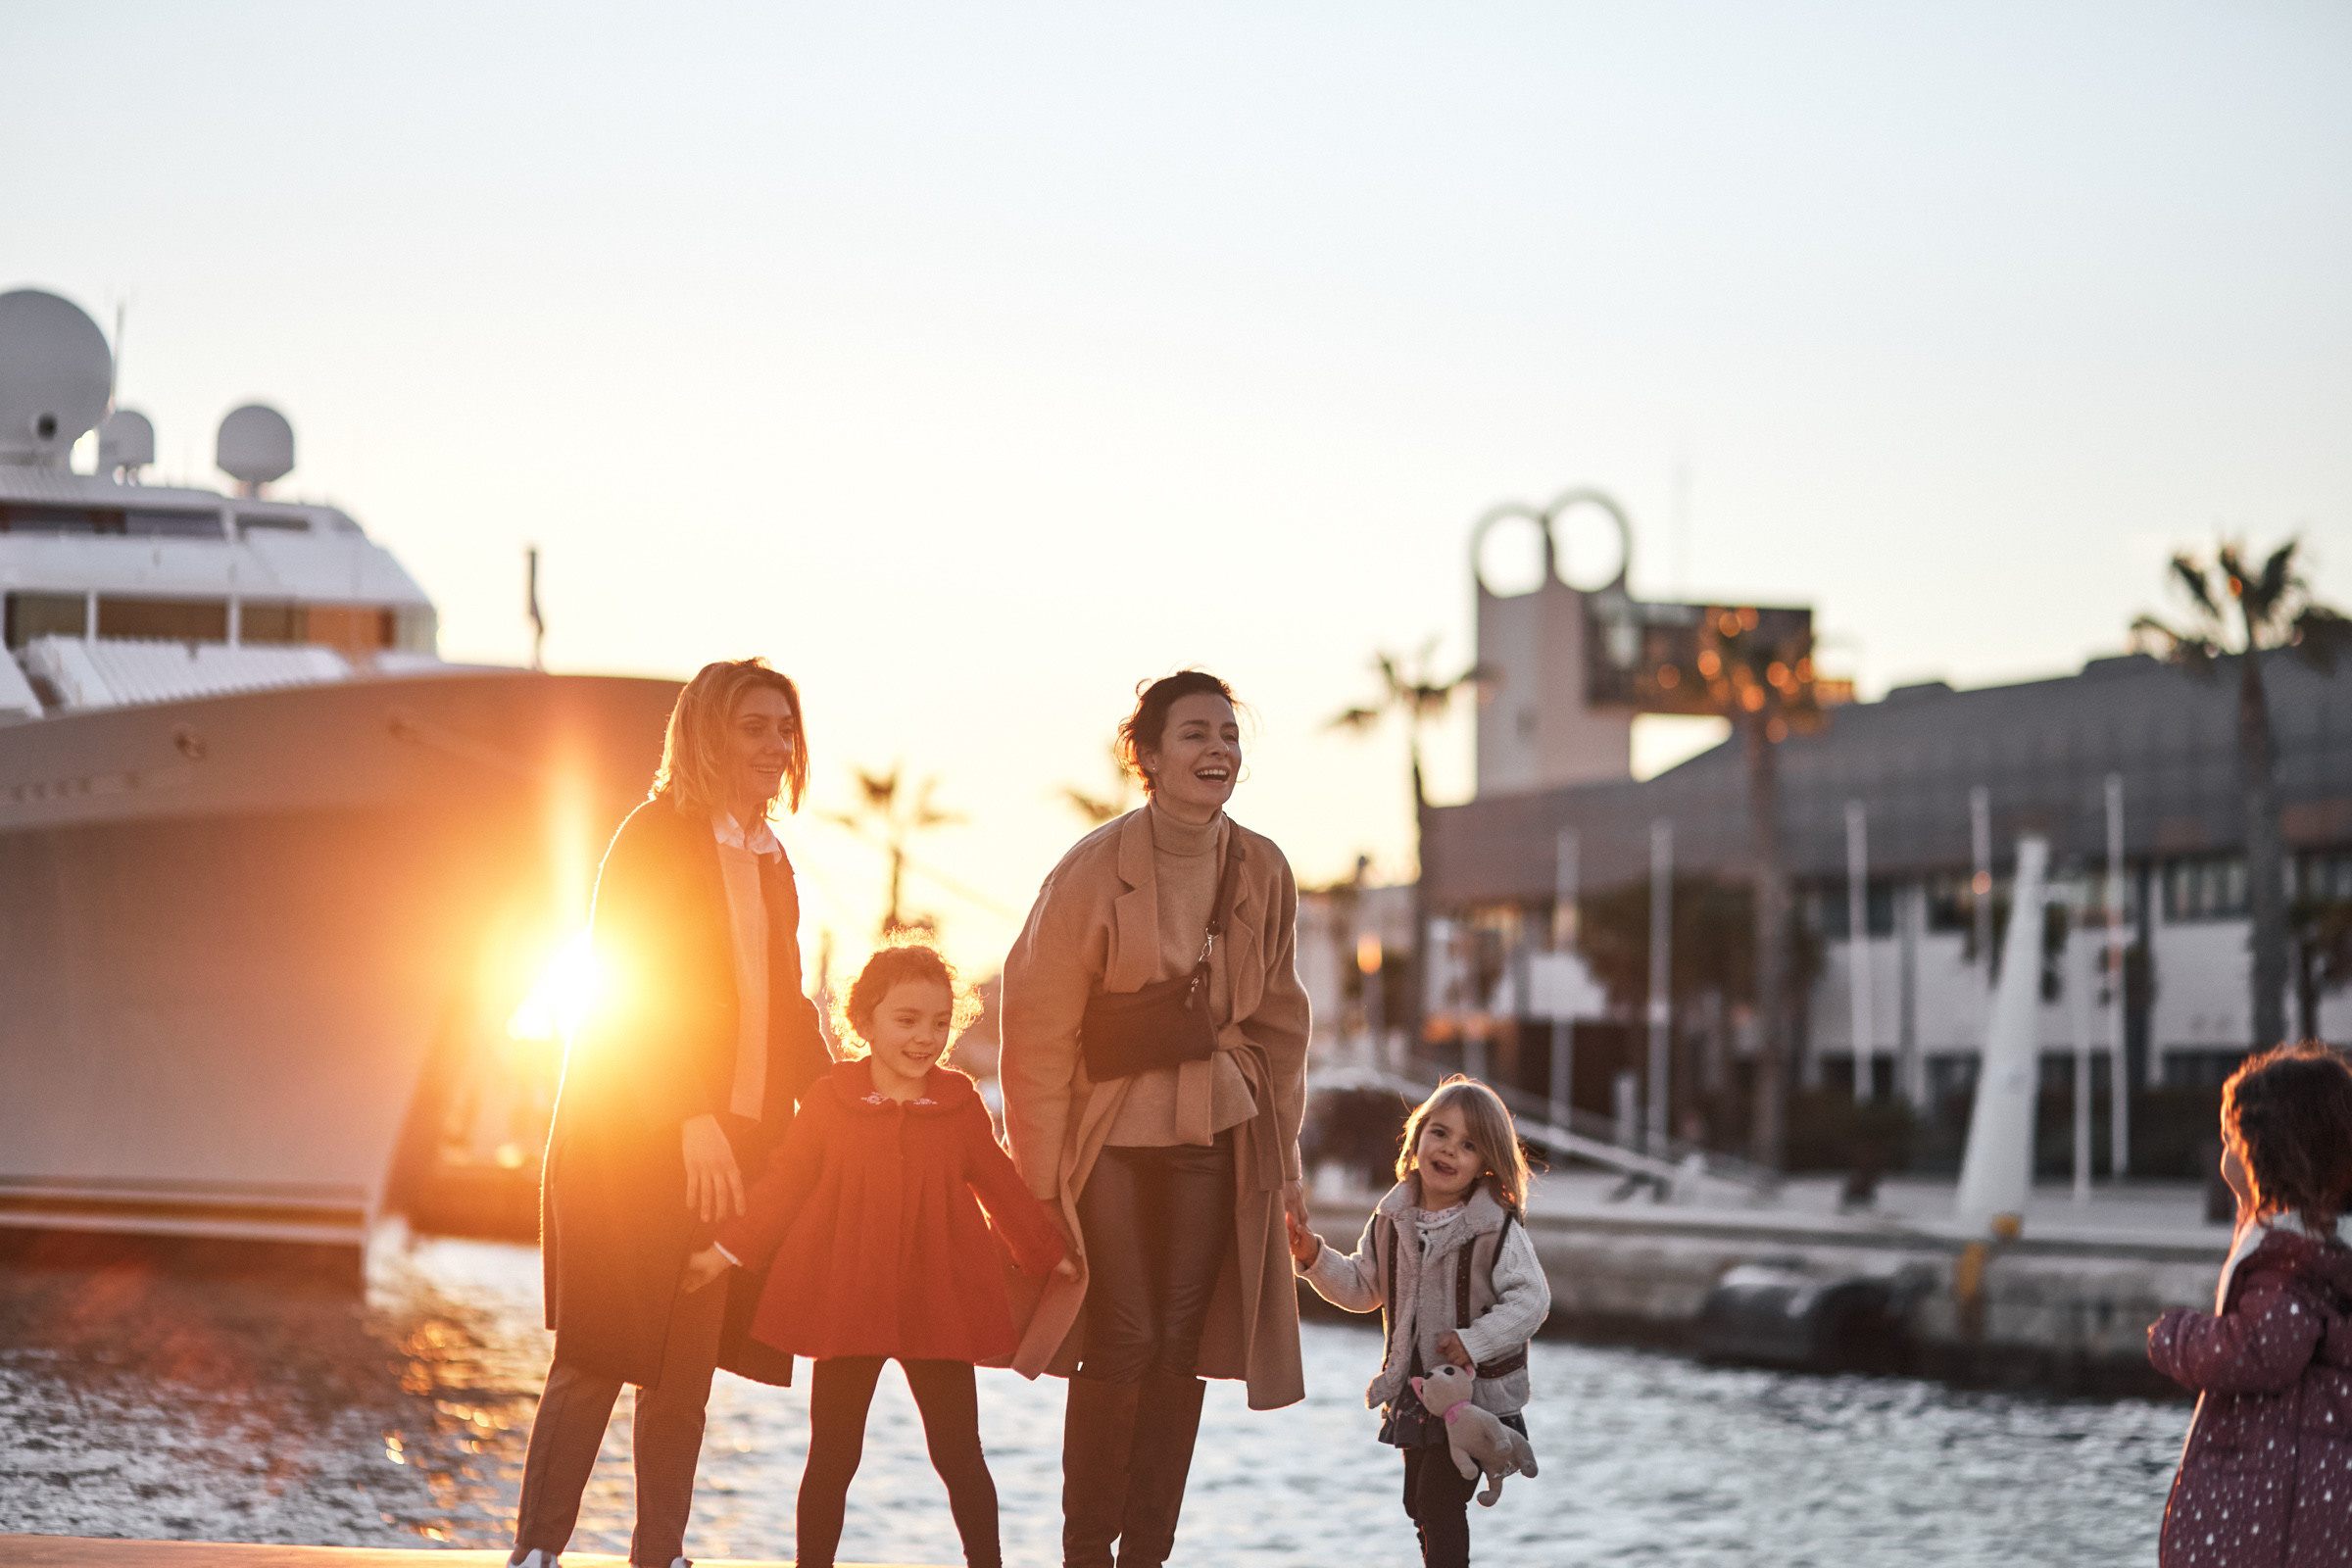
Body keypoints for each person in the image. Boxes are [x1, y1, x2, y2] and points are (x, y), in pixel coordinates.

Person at [509, 658, 835, 1568]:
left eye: (785, 728)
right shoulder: (652, 838)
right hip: (632, 1144)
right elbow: (628, 986)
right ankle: (537, 1552)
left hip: (732, 1153)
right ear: (706, 735)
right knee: (599, 1354)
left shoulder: (771, 863)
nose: (776, 745)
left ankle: (660, 1554)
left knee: (684, 1379)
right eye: (755, 727)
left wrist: (846, 1100)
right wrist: (689, 1115)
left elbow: (786, 1006)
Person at [1000, 669, 1314, 1568]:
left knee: (1181, 1344)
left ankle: (1148, 1554)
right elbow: (1037, 1031)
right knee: (1124, 1333)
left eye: (1228, 734)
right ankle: (1085, 1552)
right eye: (1194, 734)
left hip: (1217, 1131)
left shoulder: (1263, 867)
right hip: (1109, 1139)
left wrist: (1284, 1160)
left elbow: (1283, 1022)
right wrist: (1039, 1185)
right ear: (1147, 756)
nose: (1218, 749)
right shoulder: (1094, 868)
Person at [679, 936, 1073, 1568]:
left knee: (958, 1452)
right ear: (863, 1022)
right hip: (848, 1302)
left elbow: (1001, 1183)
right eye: (907, 1020)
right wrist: (723, 1251)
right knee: (833, 1452)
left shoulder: (958, 1103)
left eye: (940, 1023)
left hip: (936, 1302)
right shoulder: (829, 1103)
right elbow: (783, 1186)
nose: (925, 1037)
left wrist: (1049, 1253)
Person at [1289, 1076, 1550, 1568]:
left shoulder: (1494, 1227)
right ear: (1417, 1138)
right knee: (1418, 1506)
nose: (1449, 1150)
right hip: (1418, 1393)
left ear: (1486, 1162)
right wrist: (1312, 1256)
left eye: (1468, 1145)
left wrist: (1475, 1341)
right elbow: (1363, 1288)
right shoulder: (1392, 1218)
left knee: (1439, 1502)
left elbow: (1531, 1300)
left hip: (1475, 1400)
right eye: (1440, 1133)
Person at [2147, 1043, 2352, 1568]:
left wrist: (2176, 1337)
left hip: (2273, 1514)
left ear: (2266, 1154)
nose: (2222, 1157)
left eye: (2229, 1140)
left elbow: (2258, 1351)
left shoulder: (2291, 1264)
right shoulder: (2319, 1255)